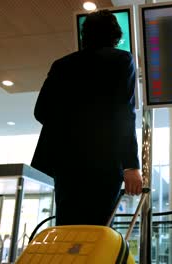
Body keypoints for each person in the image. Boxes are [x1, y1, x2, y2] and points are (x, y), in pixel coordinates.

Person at [31, 10, 143, 226]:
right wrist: (131, 166)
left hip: (65, 164)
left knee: (68, 226)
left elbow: (40, 111)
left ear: (84, 36)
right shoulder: (121, 60)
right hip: (104, 162)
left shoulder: (61, 65)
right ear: (116, 36)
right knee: (96, 229)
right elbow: (124, 113)